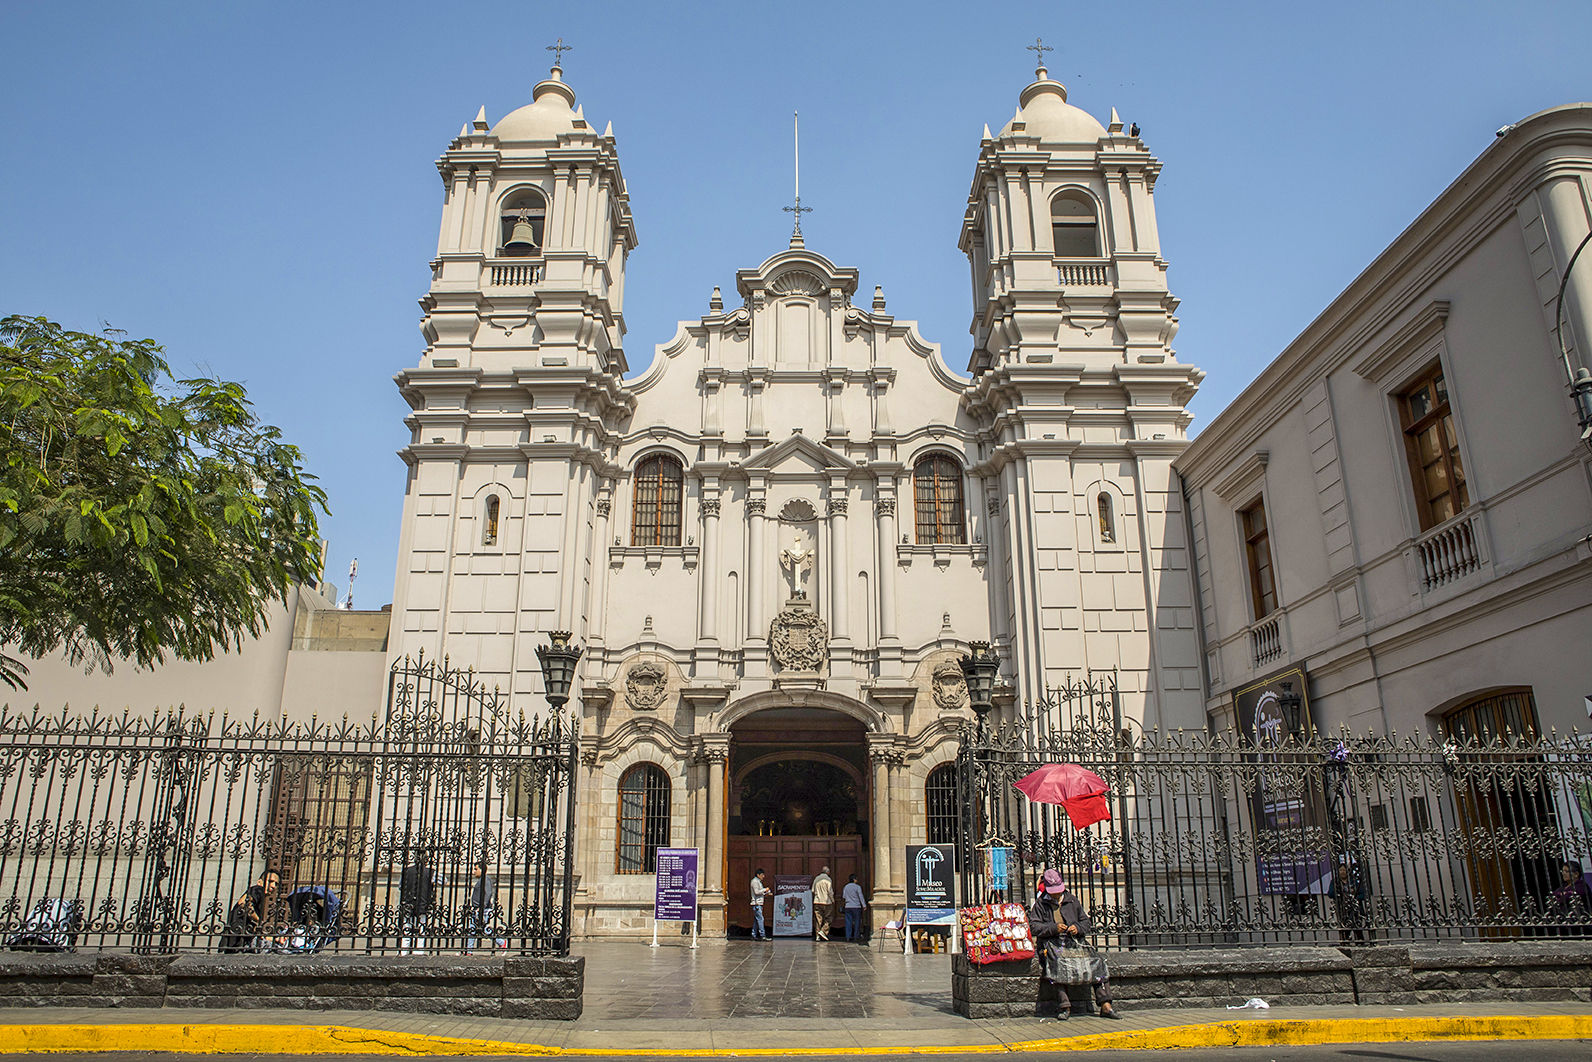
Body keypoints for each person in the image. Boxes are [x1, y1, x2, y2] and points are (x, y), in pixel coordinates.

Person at [1027, 868, 1117, 1020]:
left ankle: (1105, 1004)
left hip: (1074, 942)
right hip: (1052, 943)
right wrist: (1053, 928)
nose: (1056, 894)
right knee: (1057, 963)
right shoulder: (1041, 904)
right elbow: (1034, 927)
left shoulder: (1072, 900)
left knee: (1097, 962)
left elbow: (1085, 922)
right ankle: (1064, 1005)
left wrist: (1077, 928)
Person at [219, 868, 278, 953]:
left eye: (276, 884)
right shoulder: (258, 889)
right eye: (270, 881)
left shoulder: (259, 895)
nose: (273, 886)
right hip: (239, 937)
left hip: (237, 937)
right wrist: (258, 921)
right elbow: (243, 903)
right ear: (260, 882)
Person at [1328, 854, 1371, 943]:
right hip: (1343, 907)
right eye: (1341, 870)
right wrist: (1339, 893)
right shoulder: (1335, 882)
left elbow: (1363, 894)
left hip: (1355, 906)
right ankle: (1345, 941)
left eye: (1344, 870)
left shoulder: (1353, 881)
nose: (1342, 872)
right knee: (1345, 925)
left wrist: (1355, 898)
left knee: (1357, 925)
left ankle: (1360, 941)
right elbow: (1330, 894)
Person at [398, 858, 437, 954]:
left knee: (407, 928)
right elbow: (444, 880)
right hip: (423, 902)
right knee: (421, 928)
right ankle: (419, 951)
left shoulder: (407, 871)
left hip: (409, 901)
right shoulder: (430, 872)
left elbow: (400, 886)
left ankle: (404, 950)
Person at [1551, 860, 1592, 930]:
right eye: (1562, 871)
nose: (1564, 874)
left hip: (1579, 923)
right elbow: (1554, 897)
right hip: (1563, 922)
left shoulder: (1581, 886)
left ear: (1576, 874)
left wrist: (1561, 896)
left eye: (1566, 871)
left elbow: (1568, 897)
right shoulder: (1563, 887)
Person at [467, 861, 498, 952]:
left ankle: (501, 942)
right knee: (473, 929)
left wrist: (482, 907)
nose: (474, 872)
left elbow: (488, 893)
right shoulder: (482, 879)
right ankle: (468, 950)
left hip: (482, 909)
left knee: (484, 929)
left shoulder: (485, 880)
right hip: (478, 908)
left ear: (481, 870)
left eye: (476, 869)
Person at [811, 865, 834, 942]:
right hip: (827, 902)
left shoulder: (816, 879)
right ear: (828, 872)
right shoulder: (828, 879)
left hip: (817, 901)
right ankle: (823, 931)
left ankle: (817, 936)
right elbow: (830, 892)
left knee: (818, 919)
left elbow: (813, 890)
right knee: (828, 918)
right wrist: (833, 900)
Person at [842, 873, 867, 944]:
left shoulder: (846, 887)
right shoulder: (857, 887)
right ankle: (856, 936)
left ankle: (848, 936)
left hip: (848, 906)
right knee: (857, 922)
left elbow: (844, 897)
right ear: (854, 879)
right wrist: (864, 905)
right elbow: (860, 896)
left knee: (848, 922)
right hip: (856, 906)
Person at [750, 868, 769, 941]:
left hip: (759, 903)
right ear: (758, 875)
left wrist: (765, 893)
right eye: (762, 875)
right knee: (760, 919)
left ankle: (754, 934)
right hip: (756, 903)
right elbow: (756, 892)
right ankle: (762, 935)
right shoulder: (755, 882)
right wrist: (765, 889)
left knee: (756, 920)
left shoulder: (758, 881)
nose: (763, 876)